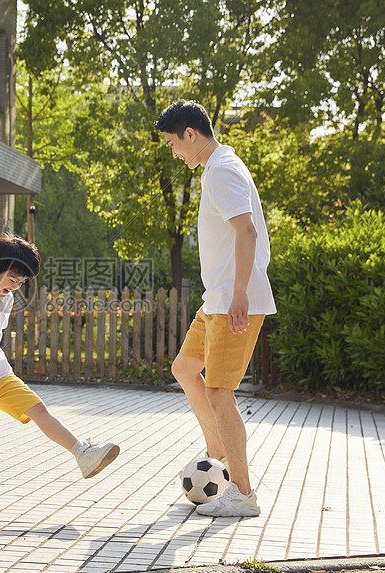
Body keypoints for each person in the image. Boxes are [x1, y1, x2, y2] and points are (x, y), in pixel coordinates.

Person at [154, 100, 276, 517]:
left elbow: (247, 231)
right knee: (185, 369)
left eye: (173, 143)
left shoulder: (222, 170)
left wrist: (240, 293)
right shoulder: (219, 167)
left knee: (220, 392)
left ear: (191, 134)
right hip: (218, 300)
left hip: (232, 302)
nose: (173, 152)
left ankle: (242, 494)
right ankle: (216, 450)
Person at [0, 233, 120, 505]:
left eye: (21, 282)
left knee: (39, 409)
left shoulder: (7, 298)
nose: (15, 286)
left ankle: (83, 454)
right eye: (13, 279)